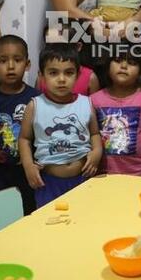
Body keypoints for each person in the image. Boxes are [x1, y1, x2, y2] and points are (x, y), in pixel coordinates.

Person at [18, 44, 102, 207]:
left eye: (69, 73)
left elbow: (94, 134)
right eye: (53, 73)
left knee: (83, 222)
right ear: (42, 76)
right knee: (50, 224)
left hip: (82, 179)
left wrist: (97, 152)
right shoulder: (35, 106)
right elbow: (24, 139)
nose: (62, 79)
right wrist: (28, 166)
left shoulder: (86, 103)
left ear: (78, 75)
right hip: (48, 182)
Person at [0, 35, 41, 215]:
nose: (11, 66)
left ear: (27, 64)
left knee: (31, 212)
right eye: (3, 60)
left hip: (29, 169)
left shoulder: (37, 98)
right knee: (3, 215)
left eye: (17, 60)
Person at [91, 44, 141, 176]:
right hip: (105, 175)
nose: (123, 66)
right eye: (117, 61)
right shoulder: (94, 100)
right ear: (108, 65)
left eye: (132, 62)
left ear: (140, 70)